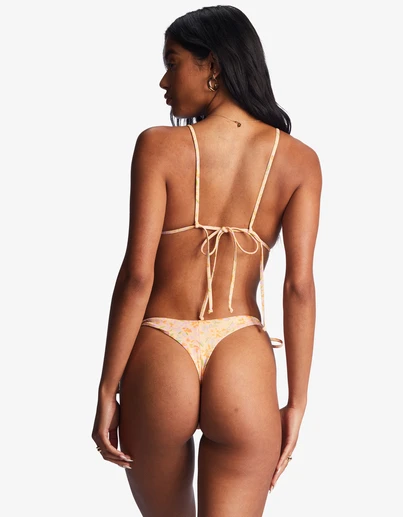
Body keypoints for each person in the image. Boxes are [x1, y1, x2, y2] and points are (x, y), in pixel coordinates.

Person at [92, 5, 321, 516]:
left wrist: (108, 388)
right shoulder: (299, 160)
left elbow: (138, 275)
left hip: (161, 348)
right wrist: (297, 403)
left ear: (211, 64)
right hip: (242, 352)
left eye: (172, 63)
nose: (163, 81)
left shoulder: (158, 146)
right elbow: (299, 287)